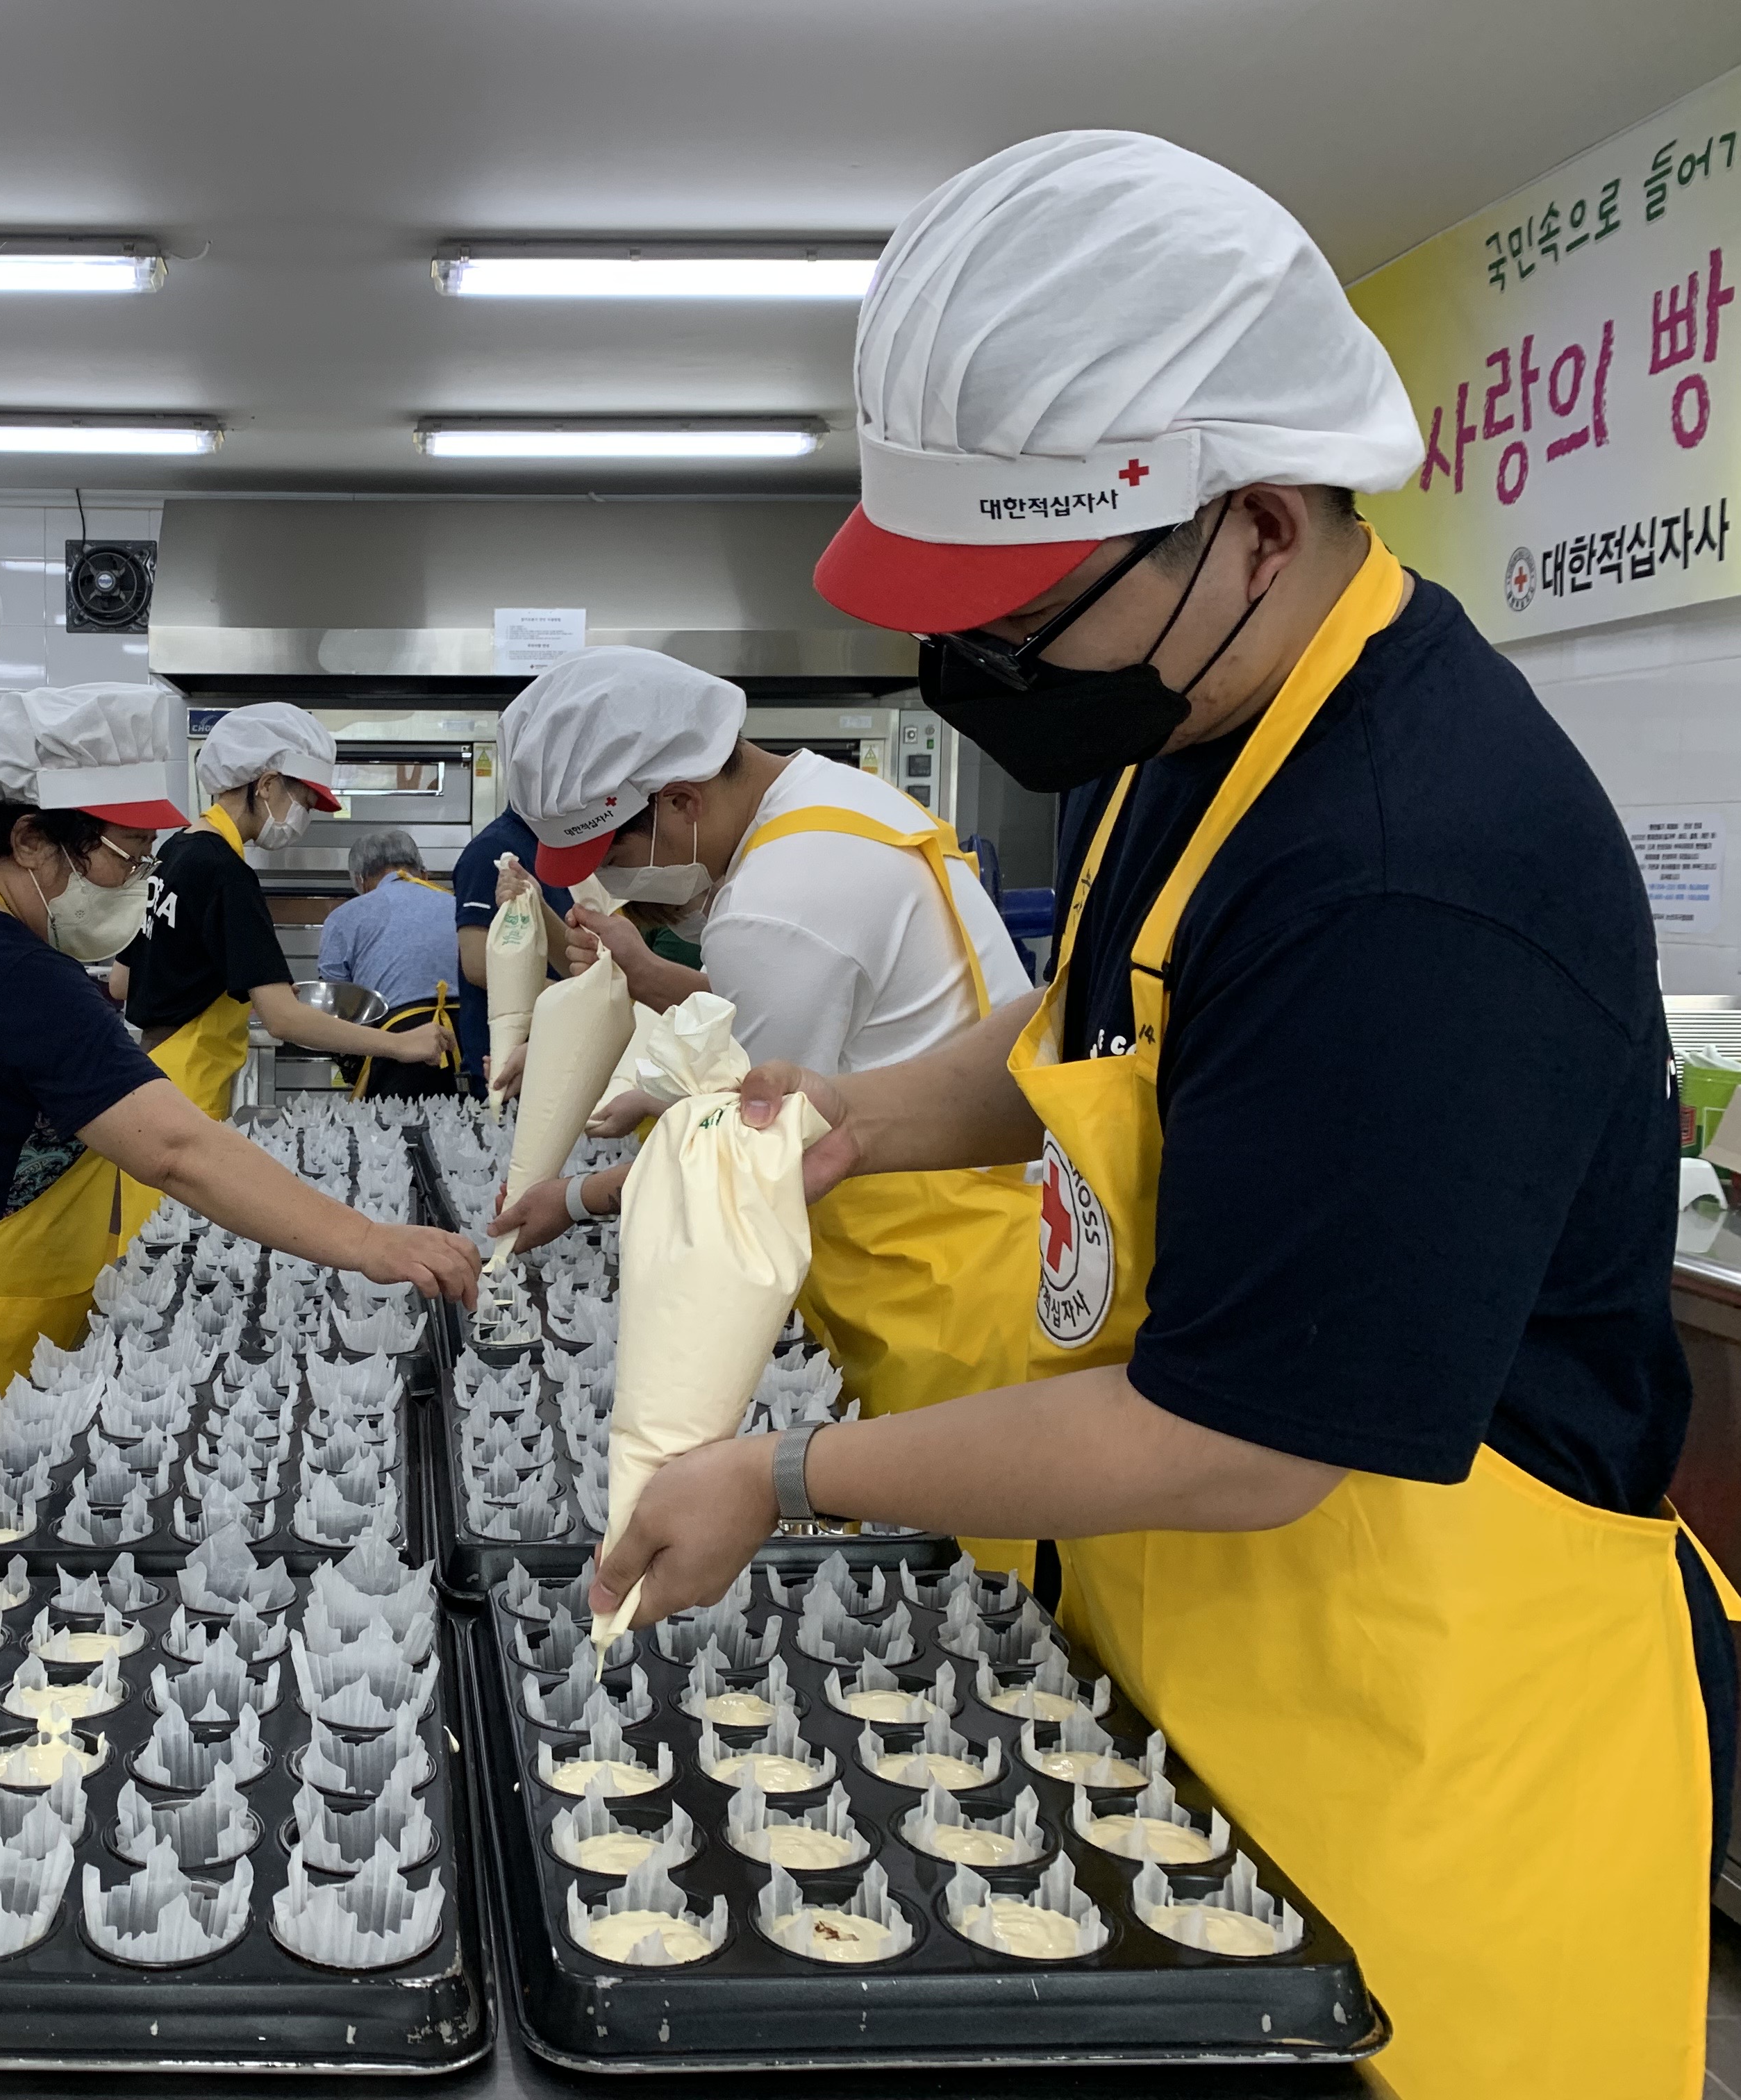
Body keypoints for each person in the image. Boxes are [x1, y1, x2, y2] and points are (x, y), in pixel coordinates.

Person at [587, 134, 1733, 2100]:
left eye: (1024, 613)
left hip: (1415, 1762)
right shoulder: (1194, 723)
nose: (984, 671)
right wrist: (854, 1112)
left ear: (1258, 526)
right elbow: (1094, 1021)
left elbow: (1244, 1440)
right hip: (1204, 1672)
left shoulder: (1413, 868)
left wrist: (787, 1480)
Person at [0, 685, 479, 1542]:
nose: (136, 880)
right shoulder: (13, 973)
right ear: (30, 839)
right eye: (125, 856)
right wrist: (370, 1243)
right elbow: (175, 1150)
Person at [488, 645, 1041, 1572]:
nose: (613, 882)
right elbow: (828, 1013)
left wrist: (575, 1200)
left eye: (613, 853)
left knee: (958, 1579)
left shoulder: (774, 905)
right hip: (981, 1226)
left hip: (935, 1290)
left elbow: (743, 1152)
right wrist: (653, 979)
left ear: (681, 801)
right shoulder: (835, 805)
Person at [115, 701, 453, 1124]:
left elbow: (124, 981)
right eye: (305, 803)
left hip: (148, 1074)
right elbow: (284, 1021)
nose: (303, 819)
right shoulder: (227, 872)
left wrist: (244, 989)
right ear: (268, 784)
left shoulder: (175, 851)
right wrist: (402, 1045)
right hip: (189, 1090)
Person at [451, 799, 574, 1092]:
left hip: (558, 1052)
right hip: (504, 1067)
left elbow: (571, 956)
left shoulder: (556, 848)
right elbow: (478, 965)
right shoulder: (492, 850)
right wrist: (576, 999)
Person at [317, 826, 459, 1013]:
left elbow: (336, 1001)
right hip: (471, 1025)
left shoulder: (343, 917)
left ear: (360, 881)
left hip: (393, 1027)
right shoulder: (459, 905)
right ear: (424, 875)